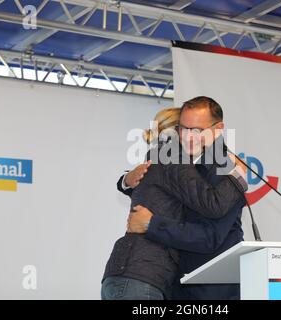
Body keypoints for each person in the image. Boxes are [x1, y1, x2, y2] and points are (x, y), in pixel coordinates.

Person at [101, 107, 248, 300]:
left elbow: (155, 196)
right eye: (188, 130)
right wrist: (239, 174)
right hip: (143, 276)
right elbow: (212, 202)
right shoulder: (172, 157)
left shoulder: (161, 160)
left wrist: (126, 181)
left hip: (134, 275)